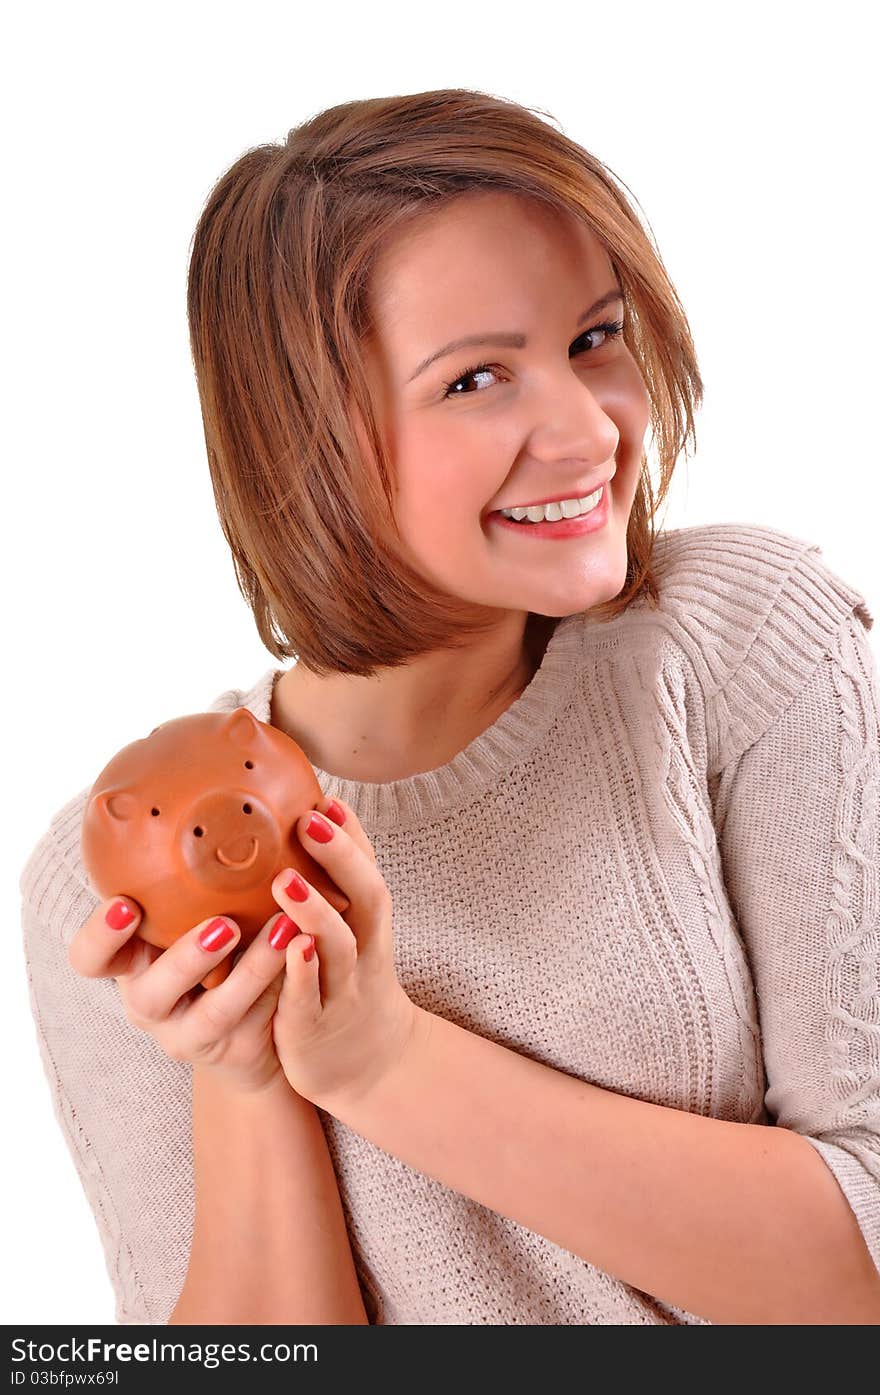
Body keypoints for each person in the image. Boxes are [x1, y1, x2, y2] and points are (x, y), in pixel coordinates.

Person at [19, 87, 880, 1326]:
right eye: (477, 378)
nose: (588, 430)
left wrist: (385, 1063)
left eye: (594, 338)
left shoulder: (739, 646)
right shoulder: (113, 887)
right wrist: (249, 1079)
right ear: (306, 442)